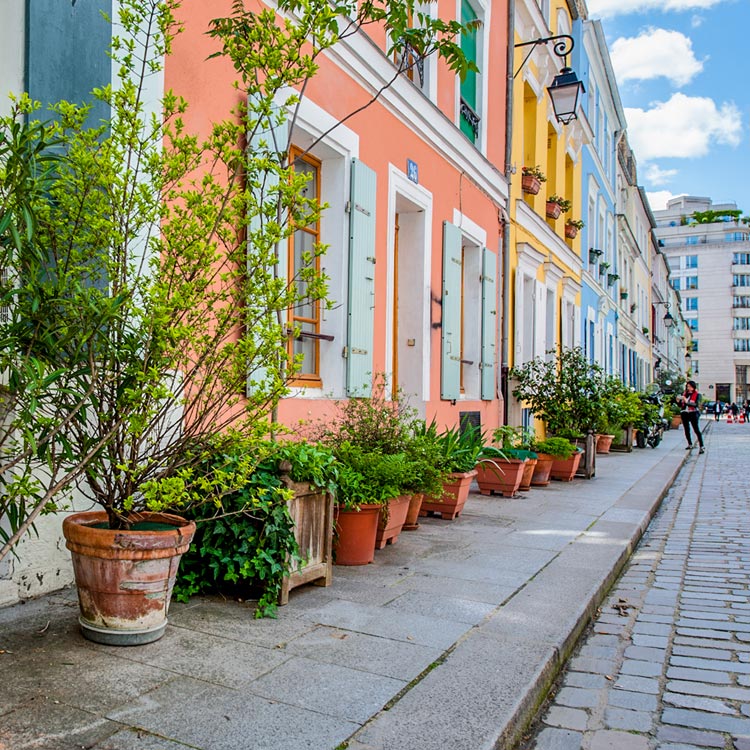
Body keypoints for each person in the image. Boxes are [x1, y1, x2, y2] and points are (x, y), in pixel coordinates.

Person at [678, 380, 705, 454]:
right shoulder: (684, 394)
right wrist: (679, 401)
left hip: (693, 413)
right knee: (686, 429)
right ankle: (689, 443)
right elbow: (681, 405)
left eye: (690, 386)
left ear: (693, 387)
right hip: (684, 413)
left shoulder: (697, 395)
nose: (688, 388)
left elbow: (696, 404)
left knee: (696, 429)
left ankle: (701, 445)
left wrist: (686, 402)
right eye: (687, 386)